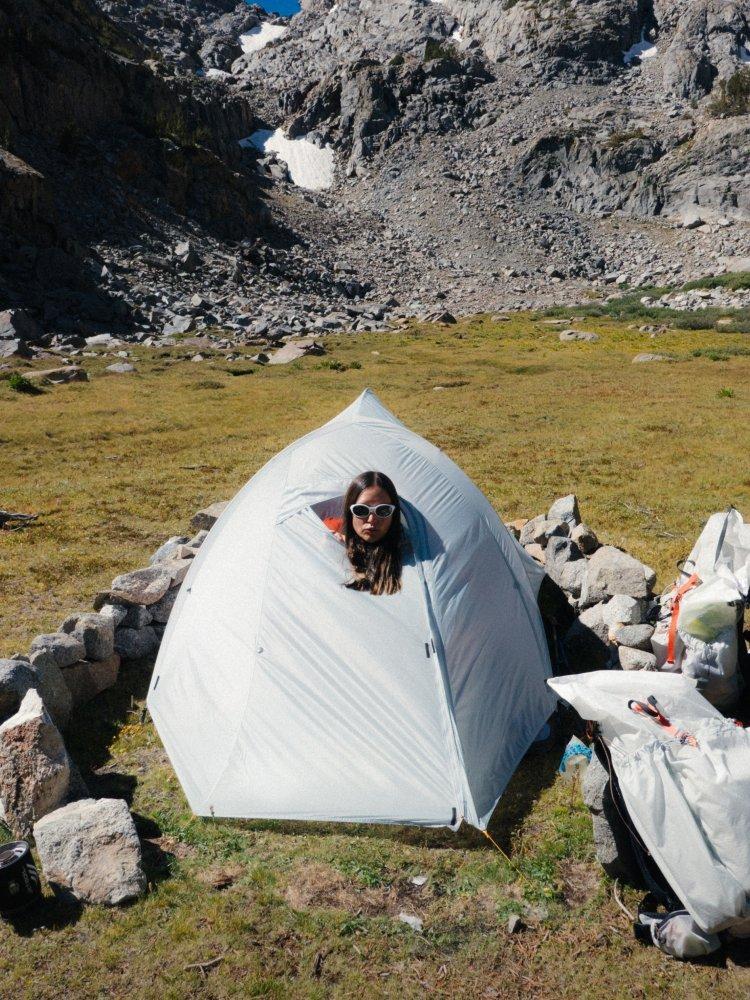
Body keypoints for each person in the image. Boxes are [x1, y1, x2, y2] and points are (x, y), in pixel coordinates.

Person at [324, 471, 404, 595]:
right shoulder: (330, 535)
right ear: (350, 512)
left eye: (383, 510)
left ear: (394, 514)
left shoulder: (412, 552)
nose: (372, 519)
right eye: (361, 510)